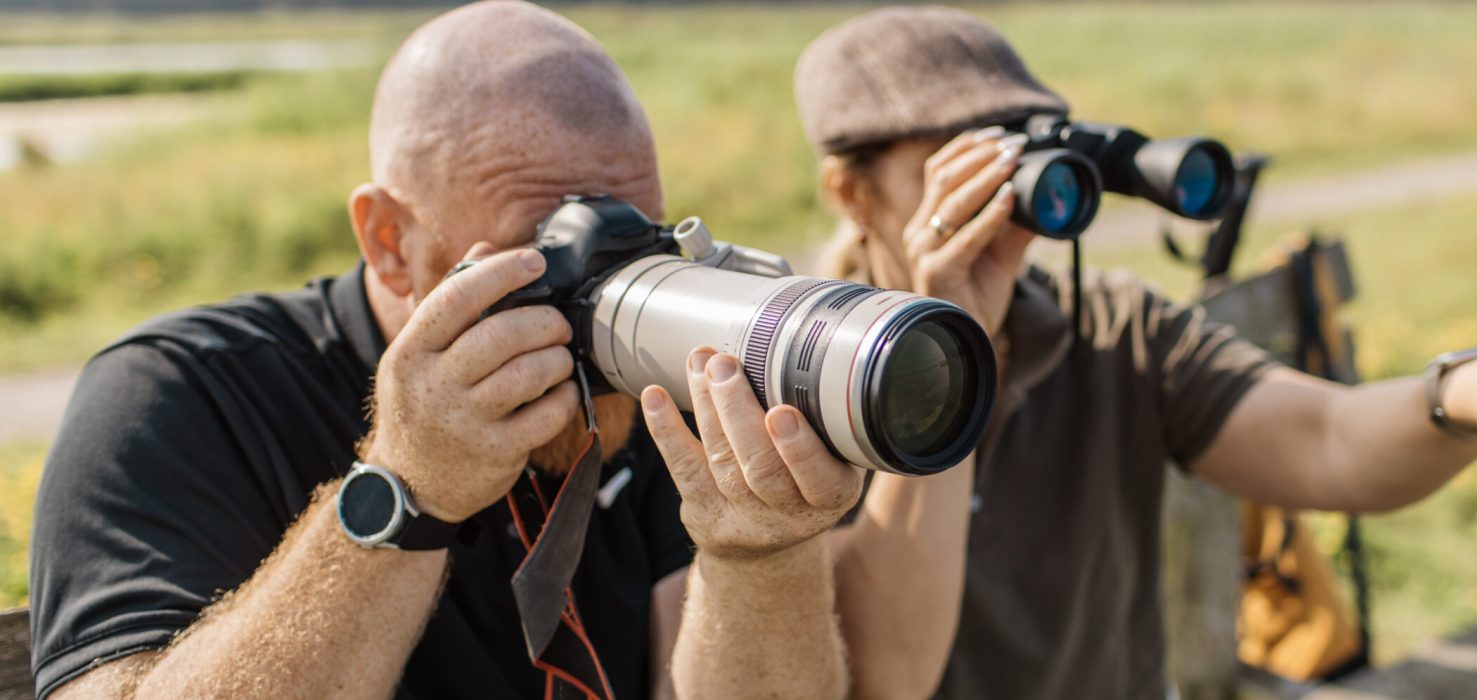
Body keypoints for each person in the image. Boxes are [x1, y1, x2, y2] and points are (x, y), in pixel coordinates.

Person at [793, 6, 1477, 699]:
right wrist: (942, 341)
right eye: (954, 172)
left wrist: (1476, 387)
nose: (998, 212)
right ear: (848, 188)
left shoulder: (1114, 332)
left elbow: (1330, 440)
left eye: (1014, 170)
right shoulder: (789, 378)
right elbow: (885, 677)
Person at [28, 3, 878, 699]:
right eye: (551, 253)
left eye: (637, 247)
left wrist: (763, 556)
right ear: (391, 241)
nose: (602, 303)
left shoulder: (649, 385)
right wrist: (406, 485)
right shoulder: (183, 396)